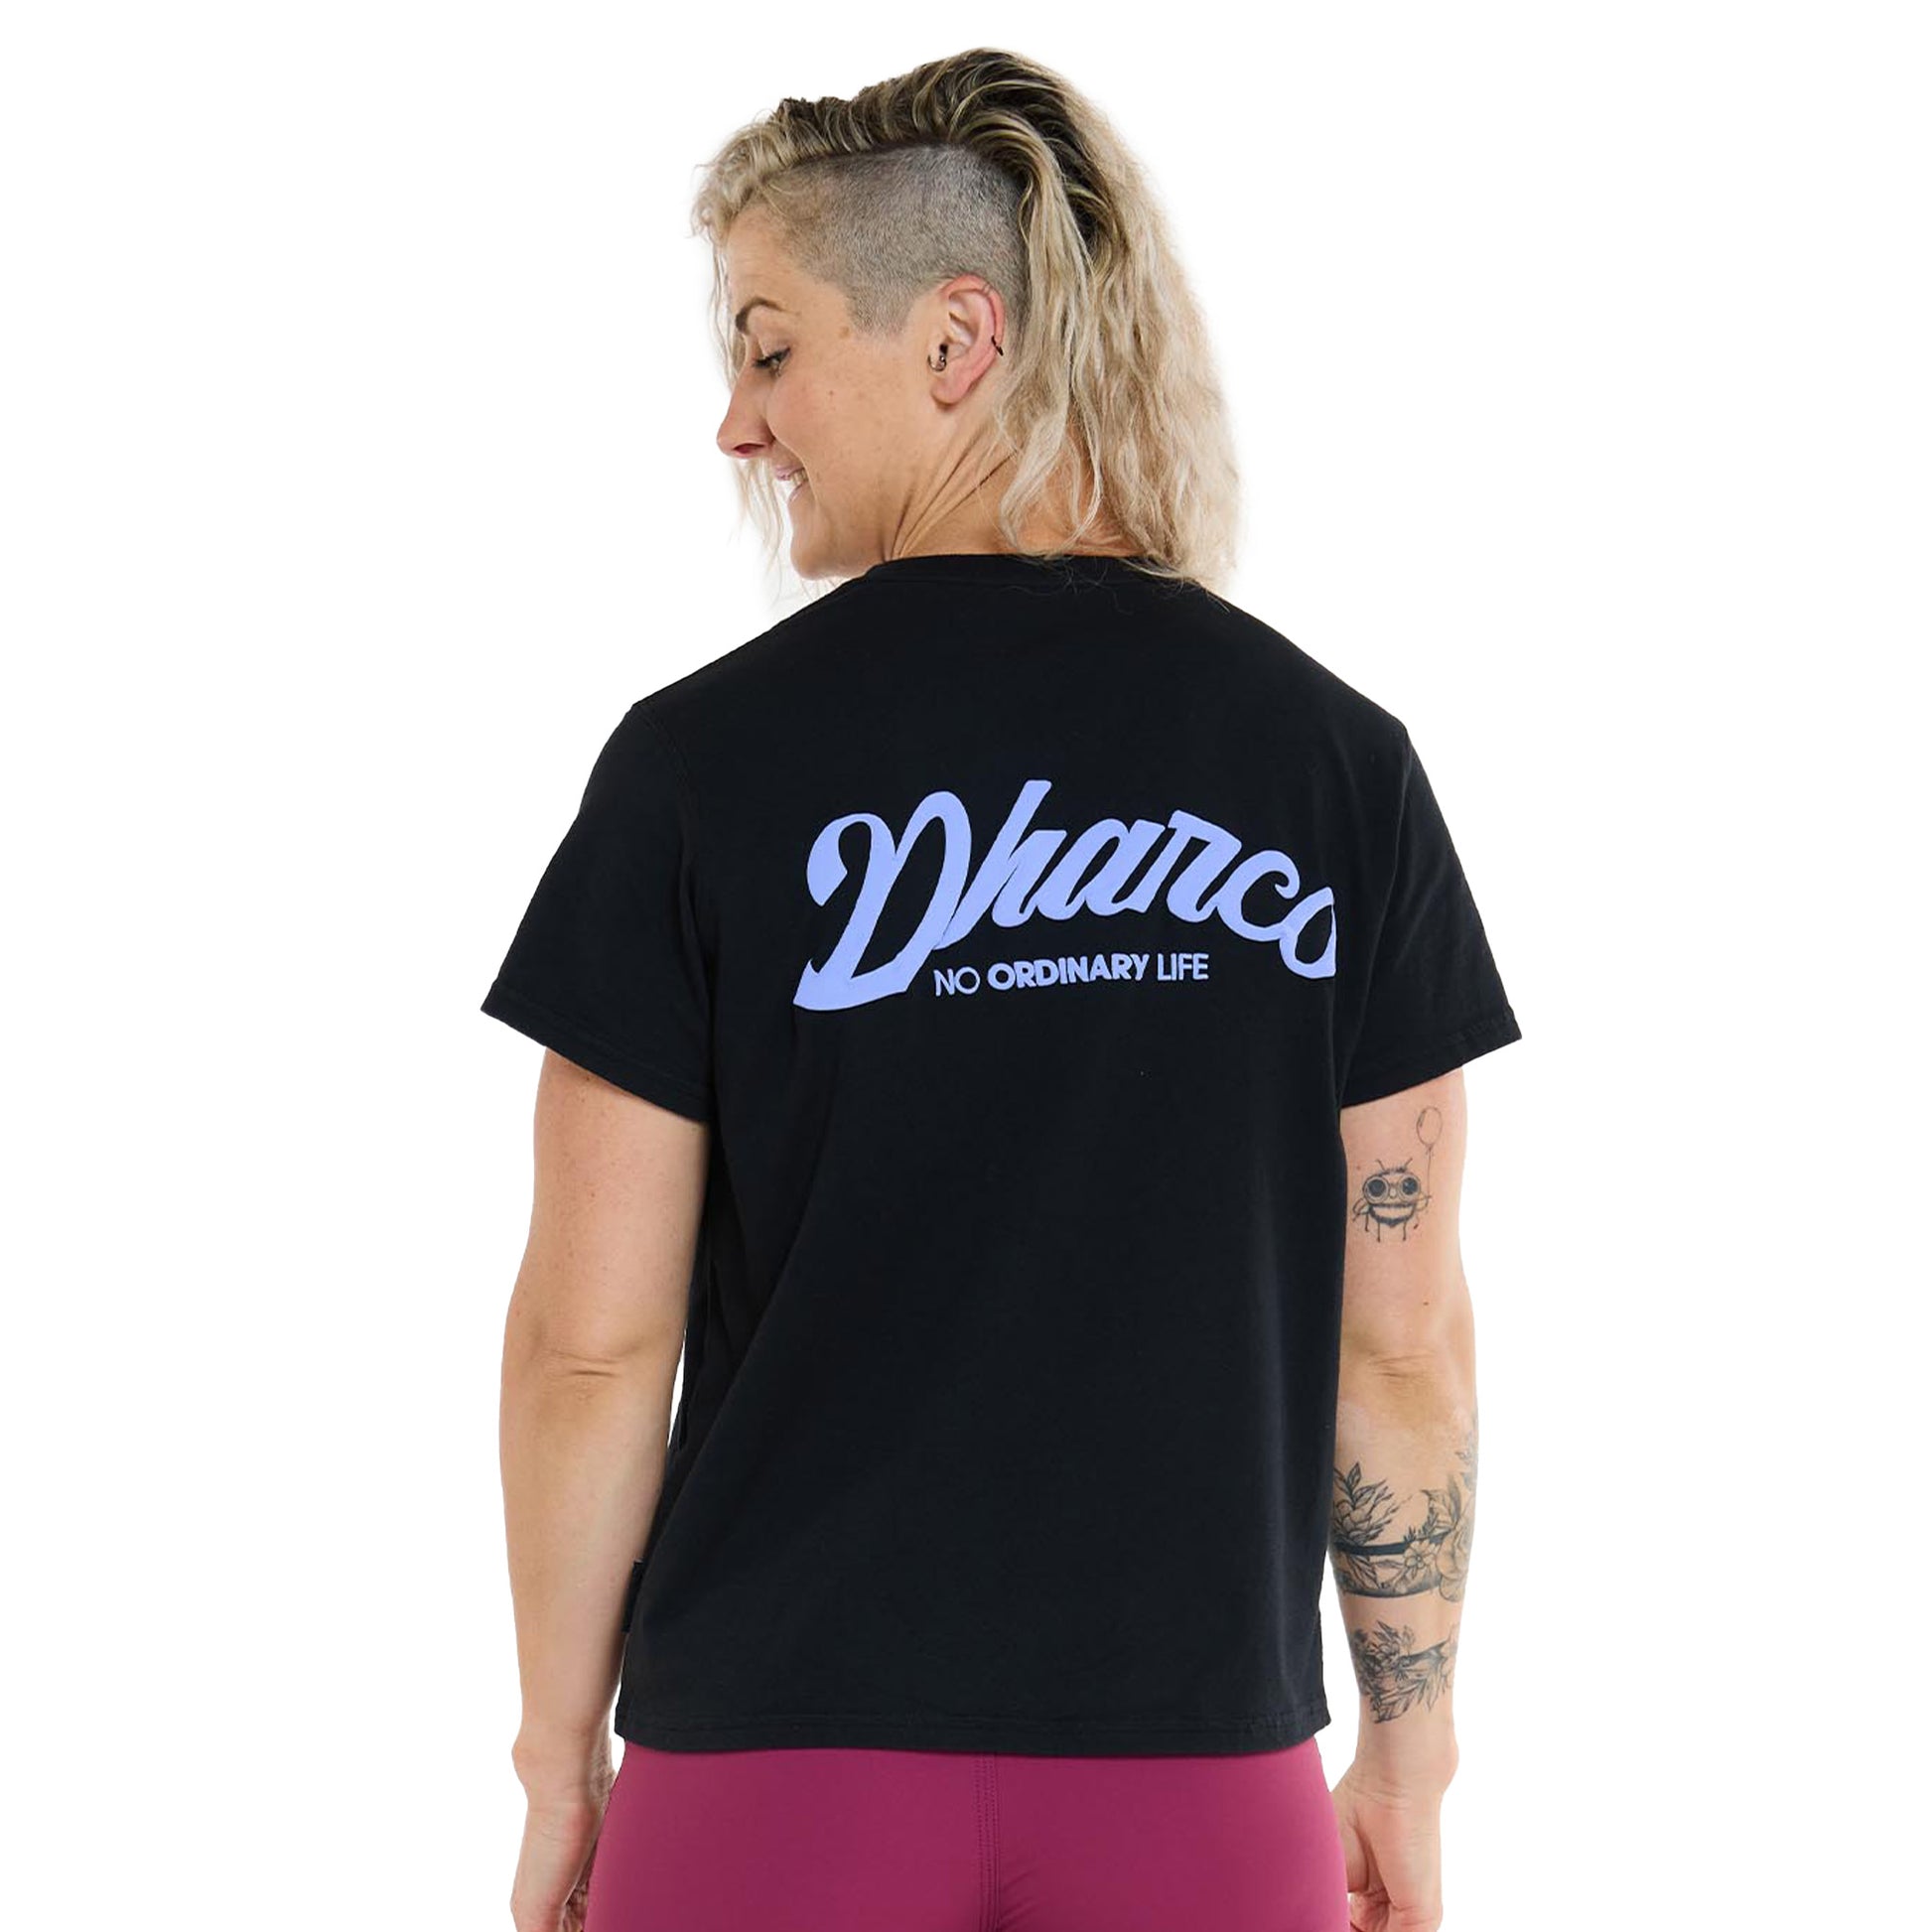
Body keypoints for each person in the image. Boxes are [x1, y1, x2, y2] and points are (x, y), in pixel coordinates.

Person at [483, 46, 1522, 1932]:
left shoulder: (701, 769)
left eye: (770, 349)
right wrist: (1408, 1753)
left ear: (956, 337)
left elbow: (589, 1344)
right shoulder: (1329, 767)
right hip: (1198, 1785)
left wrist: (560, 1763)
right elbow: (1402, 1344)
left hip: (771, 1778)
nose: (737, 423)